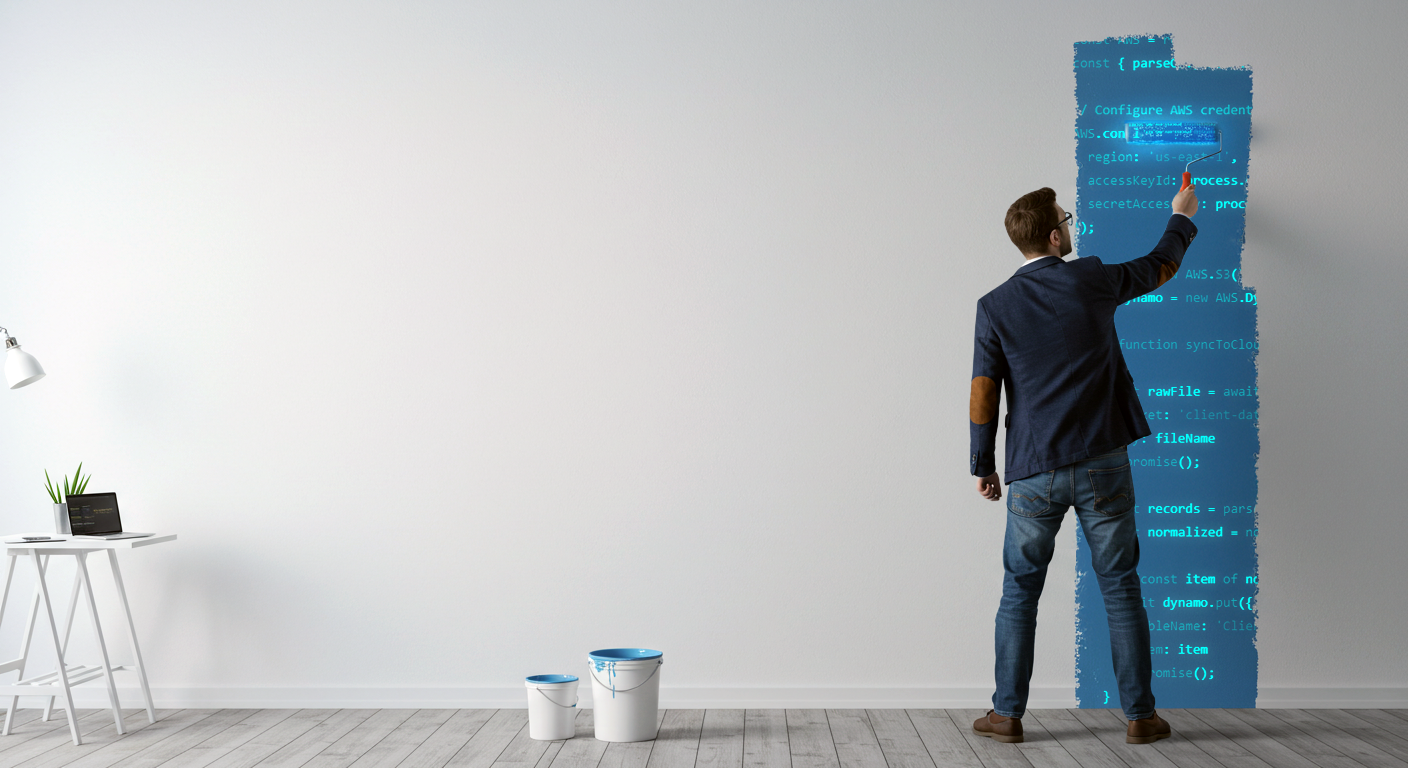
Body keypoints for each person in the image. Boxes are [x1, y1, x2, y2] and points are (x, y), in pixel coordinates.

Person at [967, 184, 1199, 745]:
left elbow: (983, 391)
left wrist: (982, 464)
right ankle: (1140, 717)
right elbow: (1160, 266)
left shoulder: (994, 305)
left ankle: (1006, 715)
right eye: (1065, 220)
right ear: (1054, 236)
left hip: (1033, 469)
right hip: (1103, 462)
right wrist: (1180, 216)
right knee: (1120, 587)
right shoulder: (1090, 279)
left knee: (1020, 591)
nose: (1070, 226)